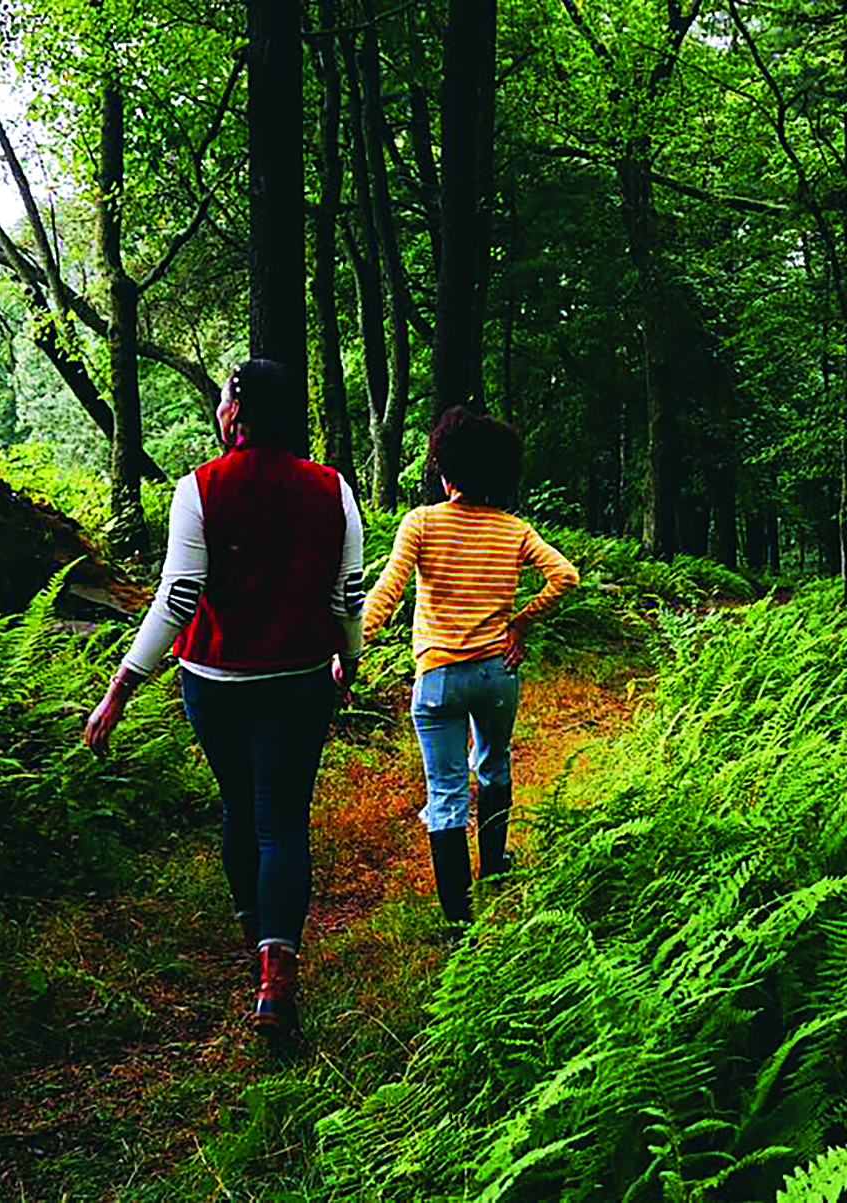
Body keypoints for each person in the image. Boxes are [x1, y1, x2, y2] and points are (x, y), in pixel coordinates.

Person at [84, 359, 364, 1039]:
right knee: (283, 821)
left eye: (220, 401)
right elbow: (347, 595)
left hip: (214, 684)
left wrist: (122, 685)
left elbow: (178, 598)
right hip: (299, 681)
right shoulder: (334, 489)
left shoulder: (198, 488)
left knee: (242, 809)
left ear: (235, 411)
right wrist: (347, 662)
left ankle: (255, 949)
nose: (217, 411)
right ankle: (276, 977)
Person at [354, 407, 578, 935]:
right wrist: (518, 623)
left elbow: (388, 591)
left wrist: (348, 643)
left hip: (438, 678)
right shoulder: (514, 529)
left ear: (446, 471)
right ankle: (495, 865)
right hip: (497, 673)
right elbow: (565, 576)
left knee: (447, 792)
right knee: (495, 765)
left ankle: (459, 920)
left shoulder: (422, 522)